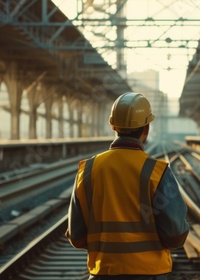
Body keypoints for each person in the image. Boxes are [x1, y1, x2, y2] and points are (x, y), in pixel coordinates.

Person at [66, 92, 189, 279]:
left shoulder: (88, 170)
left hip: (103, 273)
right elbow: (175, 235)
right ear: (146, 128)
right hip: (151, 274)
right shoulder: (157, 171)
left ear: (112, 126)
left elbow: (76, 236)